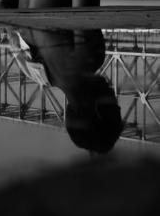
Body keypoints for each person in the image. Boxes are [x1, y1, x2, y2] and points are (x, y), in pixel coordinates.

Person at [8, 26, 123, 154]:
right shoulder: (36, 75)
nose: (115, 97)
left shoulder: (91, 58)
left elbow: (83, 16)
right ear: (69, 112)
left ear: (96, 109)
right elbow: (12, 38)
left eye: (113, 107)